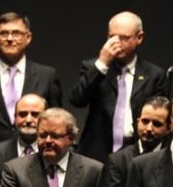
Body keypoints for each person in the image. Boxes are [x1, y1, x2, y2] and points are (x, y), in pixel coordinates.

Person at [0, 12, 62, 187]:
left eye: (16, 33)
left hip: (36, 163)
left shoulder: (46, 75)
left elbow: (56, 125)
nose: (9, 38)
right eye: (3, 33)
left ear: (28, 37)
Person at [68, 11, 167, 163]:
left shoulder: (155, 74)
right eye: (112, 37)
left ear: (139, 38)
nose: (116, 43)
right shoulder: (93, 67)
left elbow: (160, 118)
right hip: (97, 153)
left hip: (137, 154)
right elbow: (77, 100)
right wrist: (102, 64)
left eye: (124, 38)